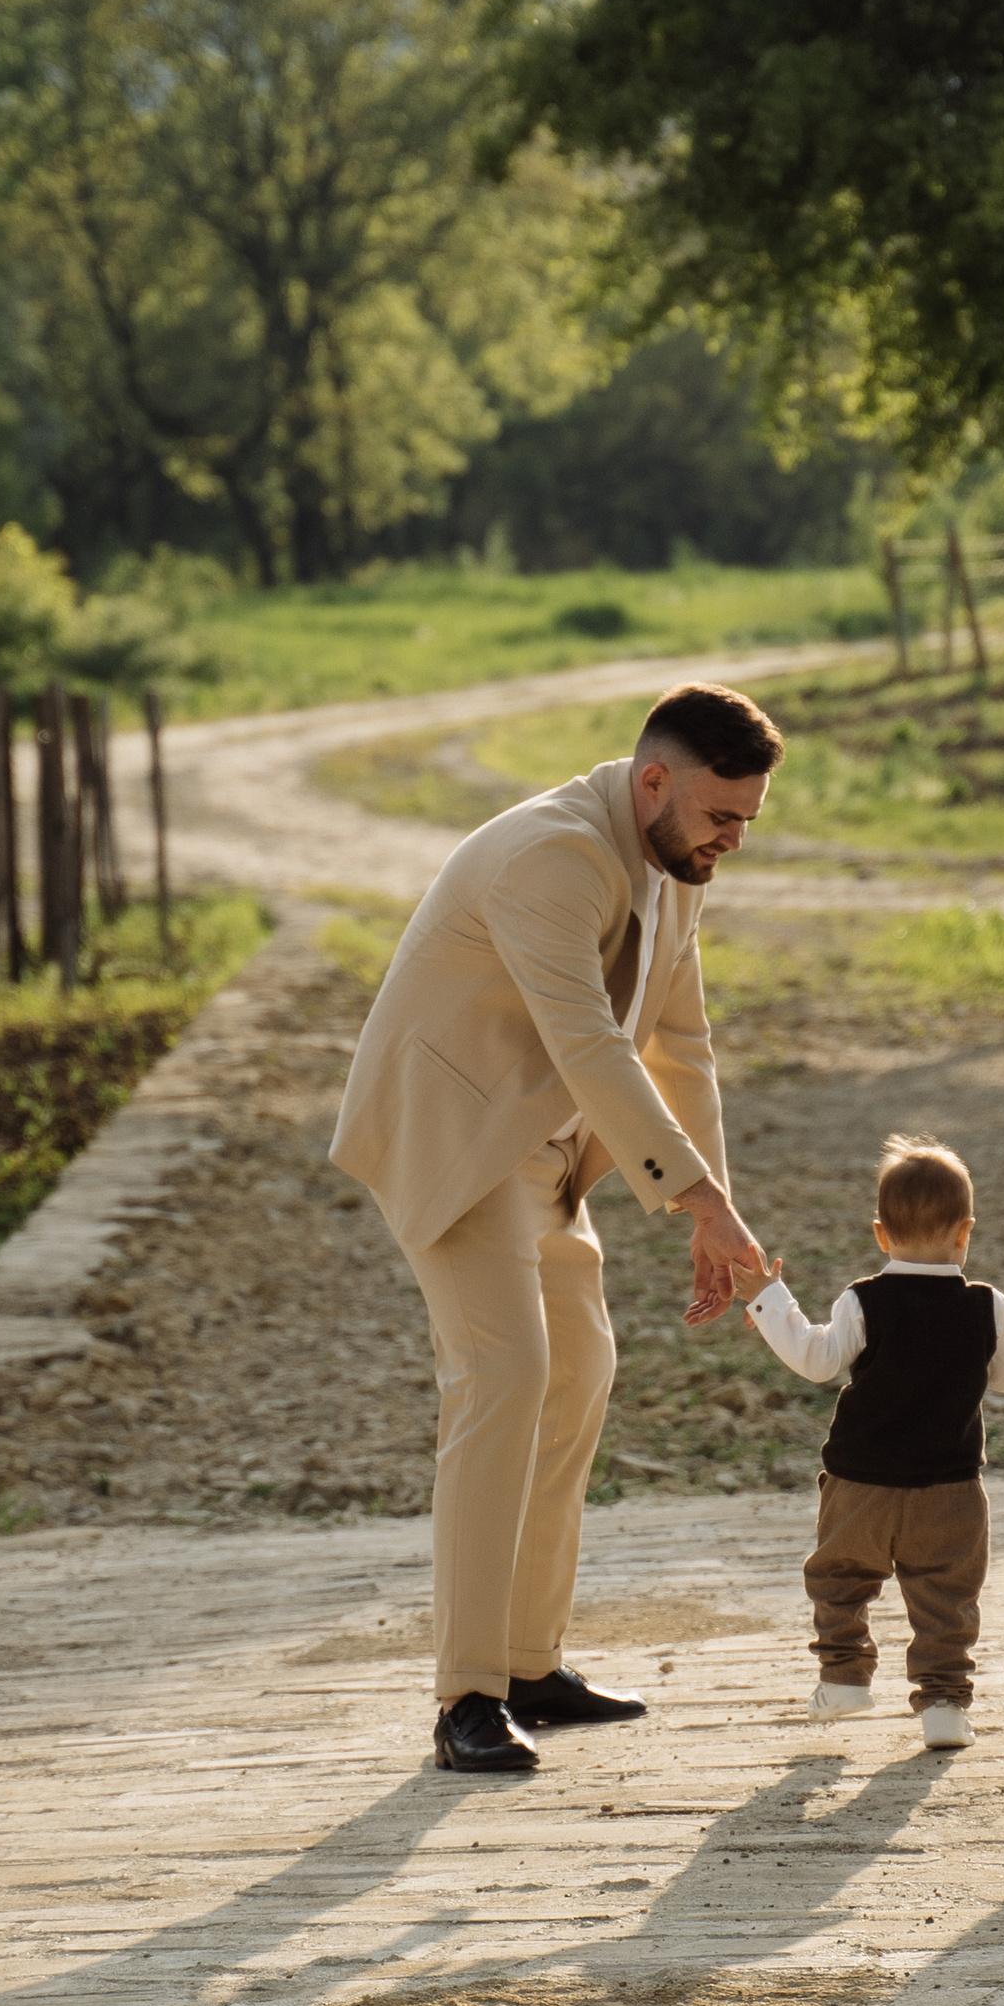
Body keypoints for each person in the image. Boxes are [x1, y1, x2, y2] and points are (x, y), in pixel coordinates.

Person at [332, 681, 780, 1776]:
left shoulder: (676, 869)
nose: (733, 839)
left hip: (541, 1150)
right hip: (453, 1135)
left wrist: (710, 1206)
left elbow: (684, 1046)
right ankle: (466, 1699)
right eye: (722, 816)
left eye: (747, 822)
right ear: (654, 782)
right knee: (506, 1374)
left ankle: (530, 1664)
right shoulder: (553, 856)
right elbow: (590, 1046)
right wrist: (699, 1203)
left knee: (580, 1367)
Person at [741, 1135, 1004, 1753]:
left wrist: (767, 1299)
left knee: (838, 1577)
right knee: (947, 1598)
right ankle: (945, 1704)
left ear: (881, 1234)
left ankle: (844, 1675)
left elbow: (817, 1359)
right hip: (951, 1489)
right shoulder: (987, 1304)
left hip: (860, 1484)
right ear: (965, 1232)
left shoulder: (864, 1299)